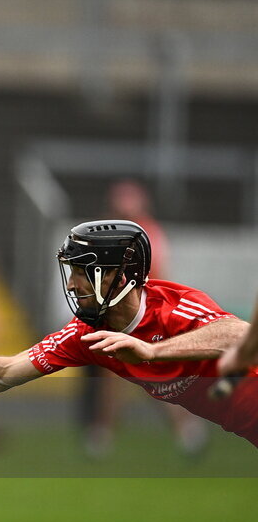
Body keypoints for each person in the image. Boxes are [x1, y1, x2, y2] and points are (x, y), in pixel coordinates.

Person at [0, 220, 258, 449]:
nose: (75, 282)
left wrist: (152, 353)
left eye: (87, 271)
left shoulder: (174, 306)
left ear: (123, 274)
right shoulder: (88, 334)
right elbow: (1, 372)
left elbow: (238, 332)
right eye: (73, 270)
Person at [79, 179, 208, 457]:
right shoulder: (117, 234)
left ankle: (182, 429)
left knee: (147, 377)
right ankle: (104, 433)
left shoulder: (146, 234)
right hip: (123, 315)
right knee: (119, 376)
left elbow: (147, 279)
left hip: (142, 315)